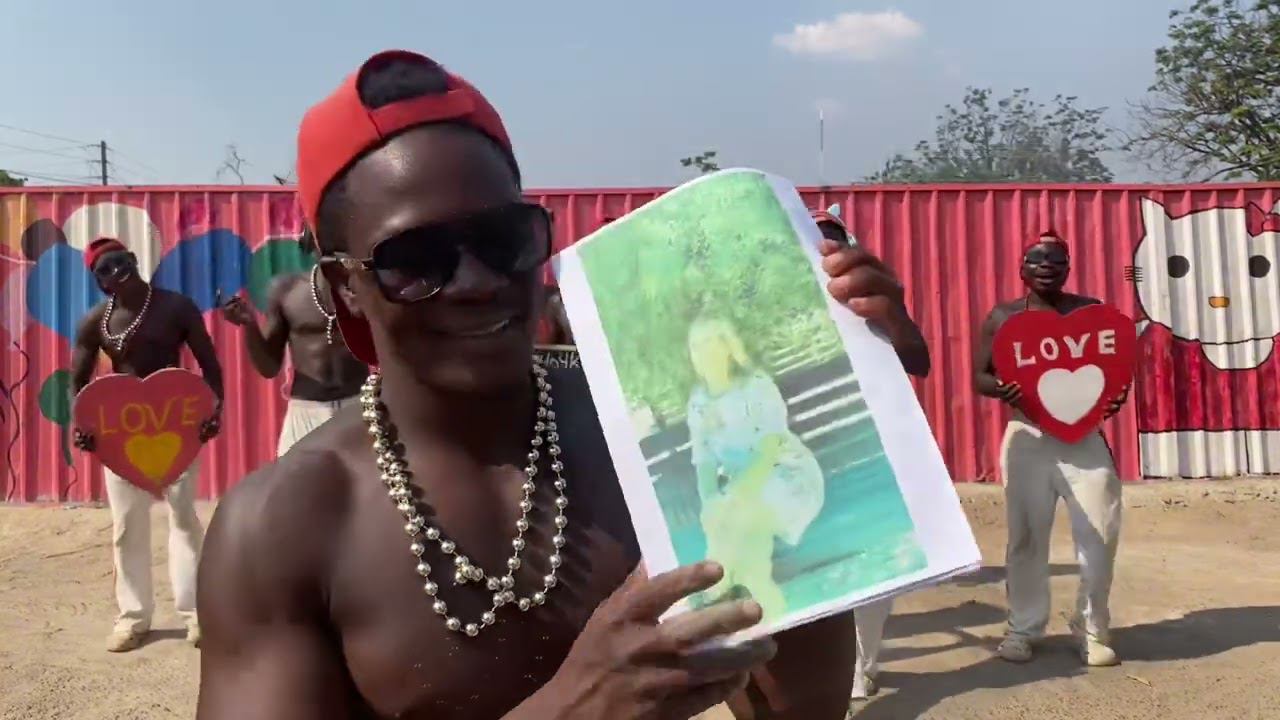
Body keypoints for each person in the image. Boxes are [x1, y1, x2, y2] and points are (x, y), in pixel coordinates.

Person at [196, 50, 929, 719]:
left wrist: (832, 391)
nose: (478, 282)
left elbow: (799, 709)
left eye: (502, 239)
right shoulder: (282, 526)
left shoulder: (642, 435)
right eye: (415, 258)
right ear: (344, 289)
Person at [973, 232, 1127, 667]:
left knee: (1100, 534)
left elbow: (1115, 367)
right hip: (1028, 438)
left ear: (1068, 267)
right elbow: (980, 376)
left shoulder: (1091, 312)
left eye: (1055, 259)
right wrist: (1002, 389)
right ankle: (1022, 629)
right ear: (1021, 268)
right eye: (1036, 259)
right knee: (1025, 539)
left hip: (1085, 439)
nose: (1046, 266)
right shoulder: (1003, 316)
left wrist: (1115, 395)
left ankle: (1092, 630)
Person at [70, 236, 223, 653]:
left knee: (184, 520)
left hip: (176, 427)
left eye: (119, 261)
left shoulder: (177, 307)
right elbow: (78, 384)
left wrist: (213, 412)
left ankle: (196, 615)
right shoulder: (95, 322)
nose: (115, 271)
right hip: (120, 435)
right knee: (126, 527)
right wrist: (84, 426)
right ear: (98, 281)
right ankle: (133, 619)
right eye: (103, 269)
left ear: (134, 260)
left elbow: (210, 367)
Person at [811, 206, 929, 701]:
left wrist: (894, 315)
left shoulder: (870, 299)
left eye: (831, 237)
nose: (822, 246)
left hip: (866, 450)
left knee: (876, 570)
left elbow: (919, 360)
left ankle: (862, 667)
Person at [686, 316, 824, 621]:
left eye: (709, 342)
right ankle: (768, 615)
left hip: (787, 478)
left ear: (727, 346)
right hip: (742, 492)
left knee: (739, 523)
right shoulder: (698, 402)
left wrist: (733, 499)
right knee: (749, 560)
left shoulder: (756, 387)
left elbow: (768, 451)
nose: (702, 351)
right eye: (695, 346)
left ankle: (715, 586)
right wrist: (711, 502)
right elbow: (704, 461)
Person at [220, 229, 367, 456]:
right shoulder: (286, 290)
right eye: (321, 235)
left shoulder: (367, 291)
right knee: (293, 478)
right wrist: (250, 325)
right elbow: (269, 367)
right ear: (309, 241)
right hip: (305, 413)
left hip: (358, 408)